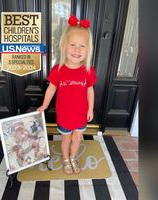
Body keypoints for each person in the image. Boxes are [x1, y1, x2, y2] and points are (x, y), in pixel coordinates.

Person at [37, 15, 97, 174]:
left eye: (82, 46)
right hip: (64, 115)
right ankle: (65, 158)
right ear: (64, 46)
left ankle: (73, 157)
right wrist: (44, 105)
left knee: (77, 138)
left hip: (81, 115)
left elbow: (90, 90)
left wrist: (90, 109)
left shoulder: (88, 71)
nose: (77, 50)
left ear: (88, 49)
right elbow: (51, 89)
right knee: (66, 138)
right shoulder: (58, 70)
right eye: (73, 45)